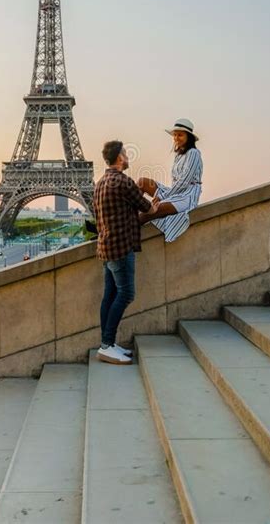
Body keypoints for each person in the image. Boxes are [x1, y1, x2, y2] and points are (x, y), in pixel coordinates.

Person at [93, 140, 159, 365]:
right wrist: (157, 204)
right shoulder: (123, 181)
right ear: (120, 157)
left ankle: (107, 344)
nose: (128, 156)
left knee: (109, 296)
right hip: (121, 247)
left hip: (105, 247)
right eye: (125, 153)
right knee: (126, 294)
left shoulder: (101, 183)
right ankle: (106, 345)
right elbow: (148, 208)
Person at [138, 118, 203, 242]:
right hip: (175, 192)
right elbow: (176, 183)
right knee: (142, 182)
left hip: (187, 195)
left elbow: (184, 182)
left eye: (180, 135)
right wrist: (165, 195)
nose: (176, 138)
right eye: (175, 135)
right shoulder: (179, 155)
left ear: (188, 137)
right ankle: (123, 214)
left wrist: (162, 196)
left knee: (152, 210)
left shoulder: (194, 153)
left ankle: (123, 228)